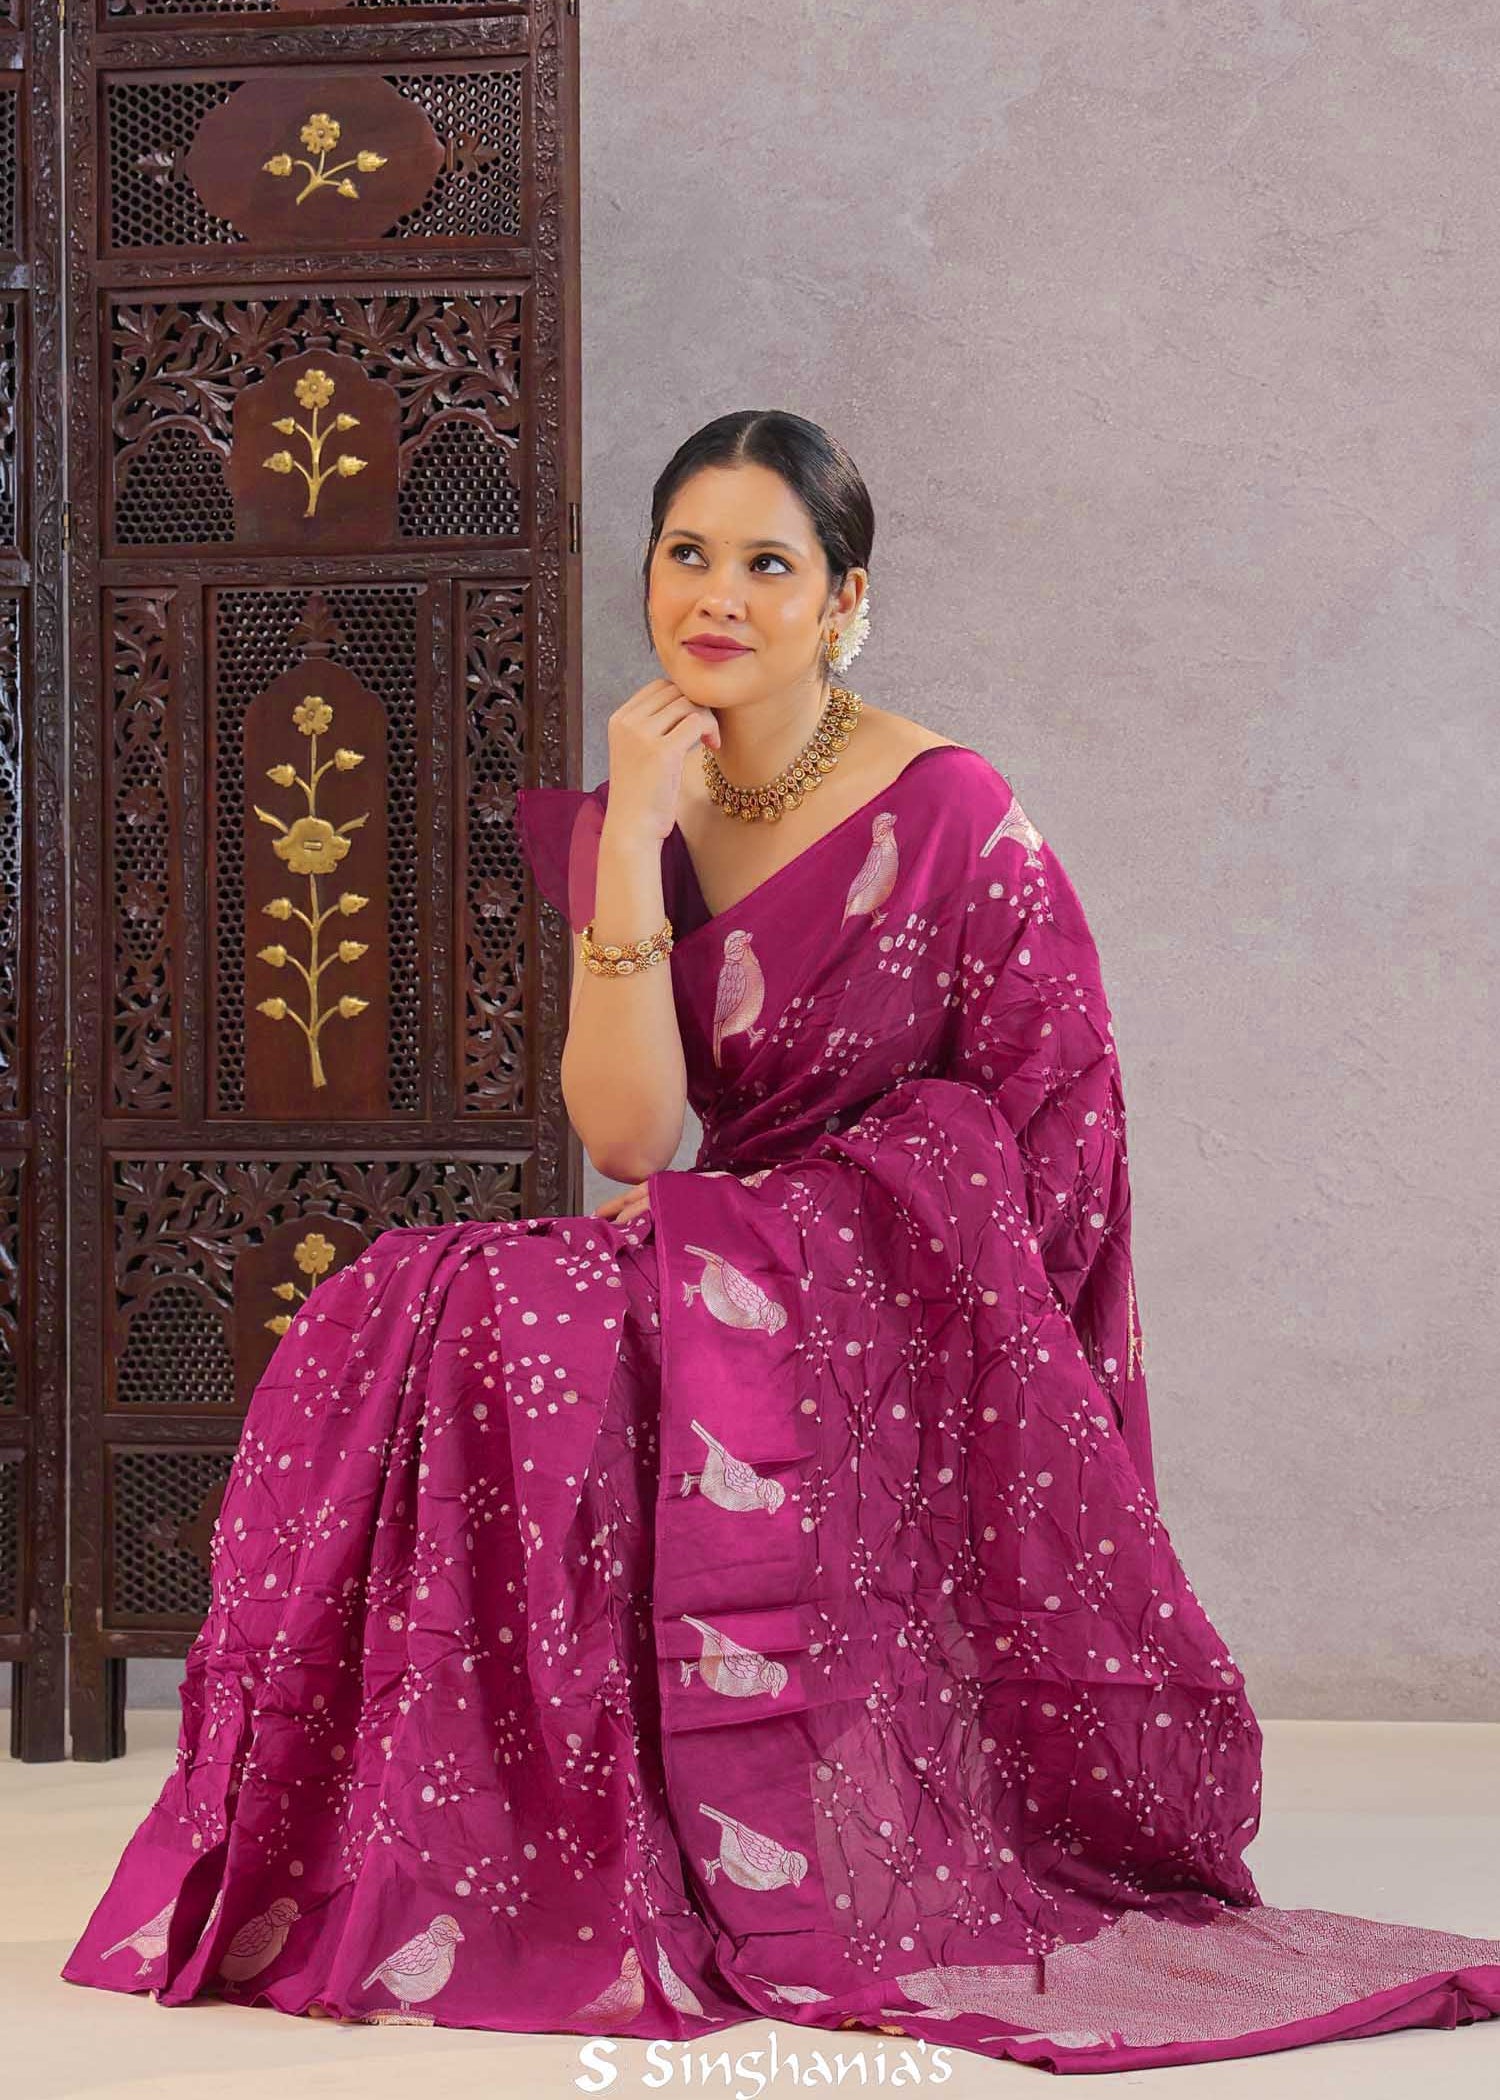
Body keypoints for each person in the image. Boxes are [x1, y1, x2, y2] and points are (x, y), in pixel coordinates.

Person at [60, 411, 1500, 2074]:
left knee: (533, 1306)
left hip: (910, 1292)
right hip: (727, 1248)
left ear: (843, 600)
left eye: (768, 564)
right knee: (417, 1300)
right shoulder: (646, 803)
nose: (719, 597)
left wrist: (822, 1225)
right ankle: (475, 1840)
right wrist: (631, 845)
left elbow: (1056, 1143)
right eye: (688, 555)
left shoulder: (951, 811)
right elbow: (625, 1137)